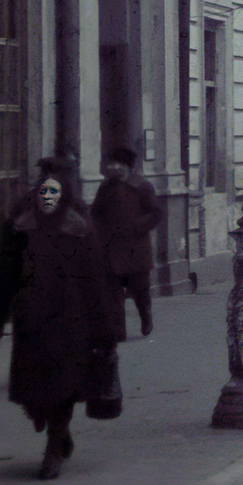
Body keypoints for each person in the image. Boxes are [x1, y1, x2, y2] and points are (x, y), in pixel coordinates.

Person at [0, 156, 123, 480]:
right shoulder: (21, 228)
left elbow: (96, 284)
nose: (47, 199)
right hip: (31, 324)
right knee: (33, 397)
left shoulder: (79, 230)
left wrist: (105, 330)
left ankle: (55, 444)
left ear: (64, 196)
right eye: (43, 193)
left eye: (53, 194)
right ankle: (55, 432)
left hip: (71, 325)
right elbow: (4, 276)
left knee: (62, 389)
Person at [90, 144, 163, 339]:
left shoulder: (143, 186)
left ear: (128, 166)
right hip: (111, 250)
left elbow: (156, 213)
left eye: (118, 164)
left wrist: (137, 226)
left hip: (135, 251)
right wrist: (98, 235)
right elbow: (95, 212)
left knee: (140, 292)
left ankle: (145, 316)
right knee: (113, 295)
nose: (113, 167)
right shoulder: (106, 186)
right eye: (111, 164)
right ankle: (117, 331)